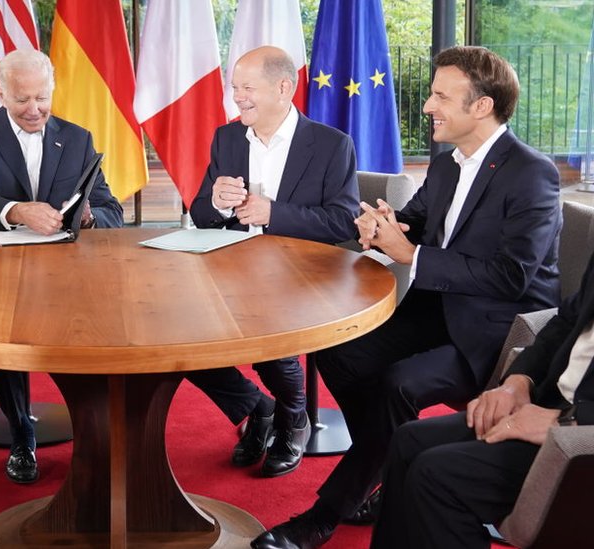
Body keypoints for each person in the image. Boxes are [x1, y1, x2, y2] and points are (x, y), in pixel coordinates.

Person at [253, 46, 561, 549]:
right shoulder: (445, 165)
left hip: (498, 331)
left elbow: (511, 277)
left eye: (440, 95)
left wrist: (409, 252)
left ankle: (324, 516)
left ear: (481, 106)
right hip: (438, 308)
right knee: (339, 349)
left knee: (397, 383)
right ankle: (386, 459)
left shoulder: (532, 173)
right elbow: (413, 220)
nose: (427, 106)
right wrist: (382, 226)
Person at [185, 45, 359, 477]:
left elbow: (344, 223)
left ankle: (292, 415)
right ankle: (256, 407)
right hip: (232, 267)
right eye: (234, 88)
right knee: (178, 332)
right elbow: (200, 211)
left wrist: (274, 213)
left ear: (284, 88)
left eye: (247, 88)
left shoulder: (331, 145)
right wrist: (218, 204)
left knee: (262, 323)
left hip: (303, 273)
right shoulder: (226, 137)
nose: (237, 97)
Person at [0, 49, 123, 484]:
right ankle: (21, 432)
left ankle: (95, 431)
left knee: (92, 330)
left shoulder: (79, 138)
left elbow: (111, 209)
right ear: (1, 93)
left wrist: (88, 216)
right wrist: (17, 211)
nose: (34, 110)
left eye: (42, 98)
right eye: (22, 99)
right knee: (1, 340)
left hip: (65, 269)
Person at [371, 248, 594, 549]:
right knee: (408, 441)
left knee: (436, 476)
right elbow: (565, 321)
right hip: (547, 403)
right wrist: (517, 382)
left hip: (580, 439)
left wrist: (563, 421)